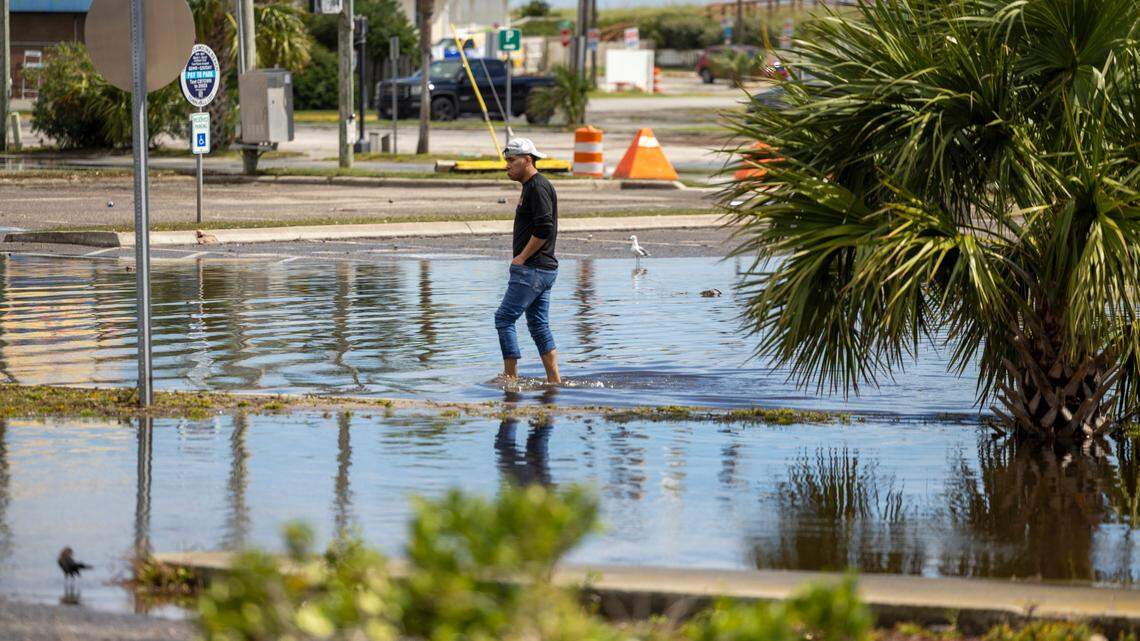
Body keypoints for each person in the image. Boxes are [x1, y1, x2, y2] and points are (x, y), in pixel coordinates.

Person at [494, 138, 561, 383]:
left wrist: (521, 257)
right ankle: (554, 381)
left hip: (532, 269)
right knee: (538, 324)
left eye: (512, 161)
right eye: (506, 161)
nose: (507, 166)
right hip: (542, 270)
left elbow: (544, 228)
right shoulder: (531, 186)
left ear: (528, 160)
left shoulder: (537, 187)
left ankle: (510, 378)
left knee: (504, 318)